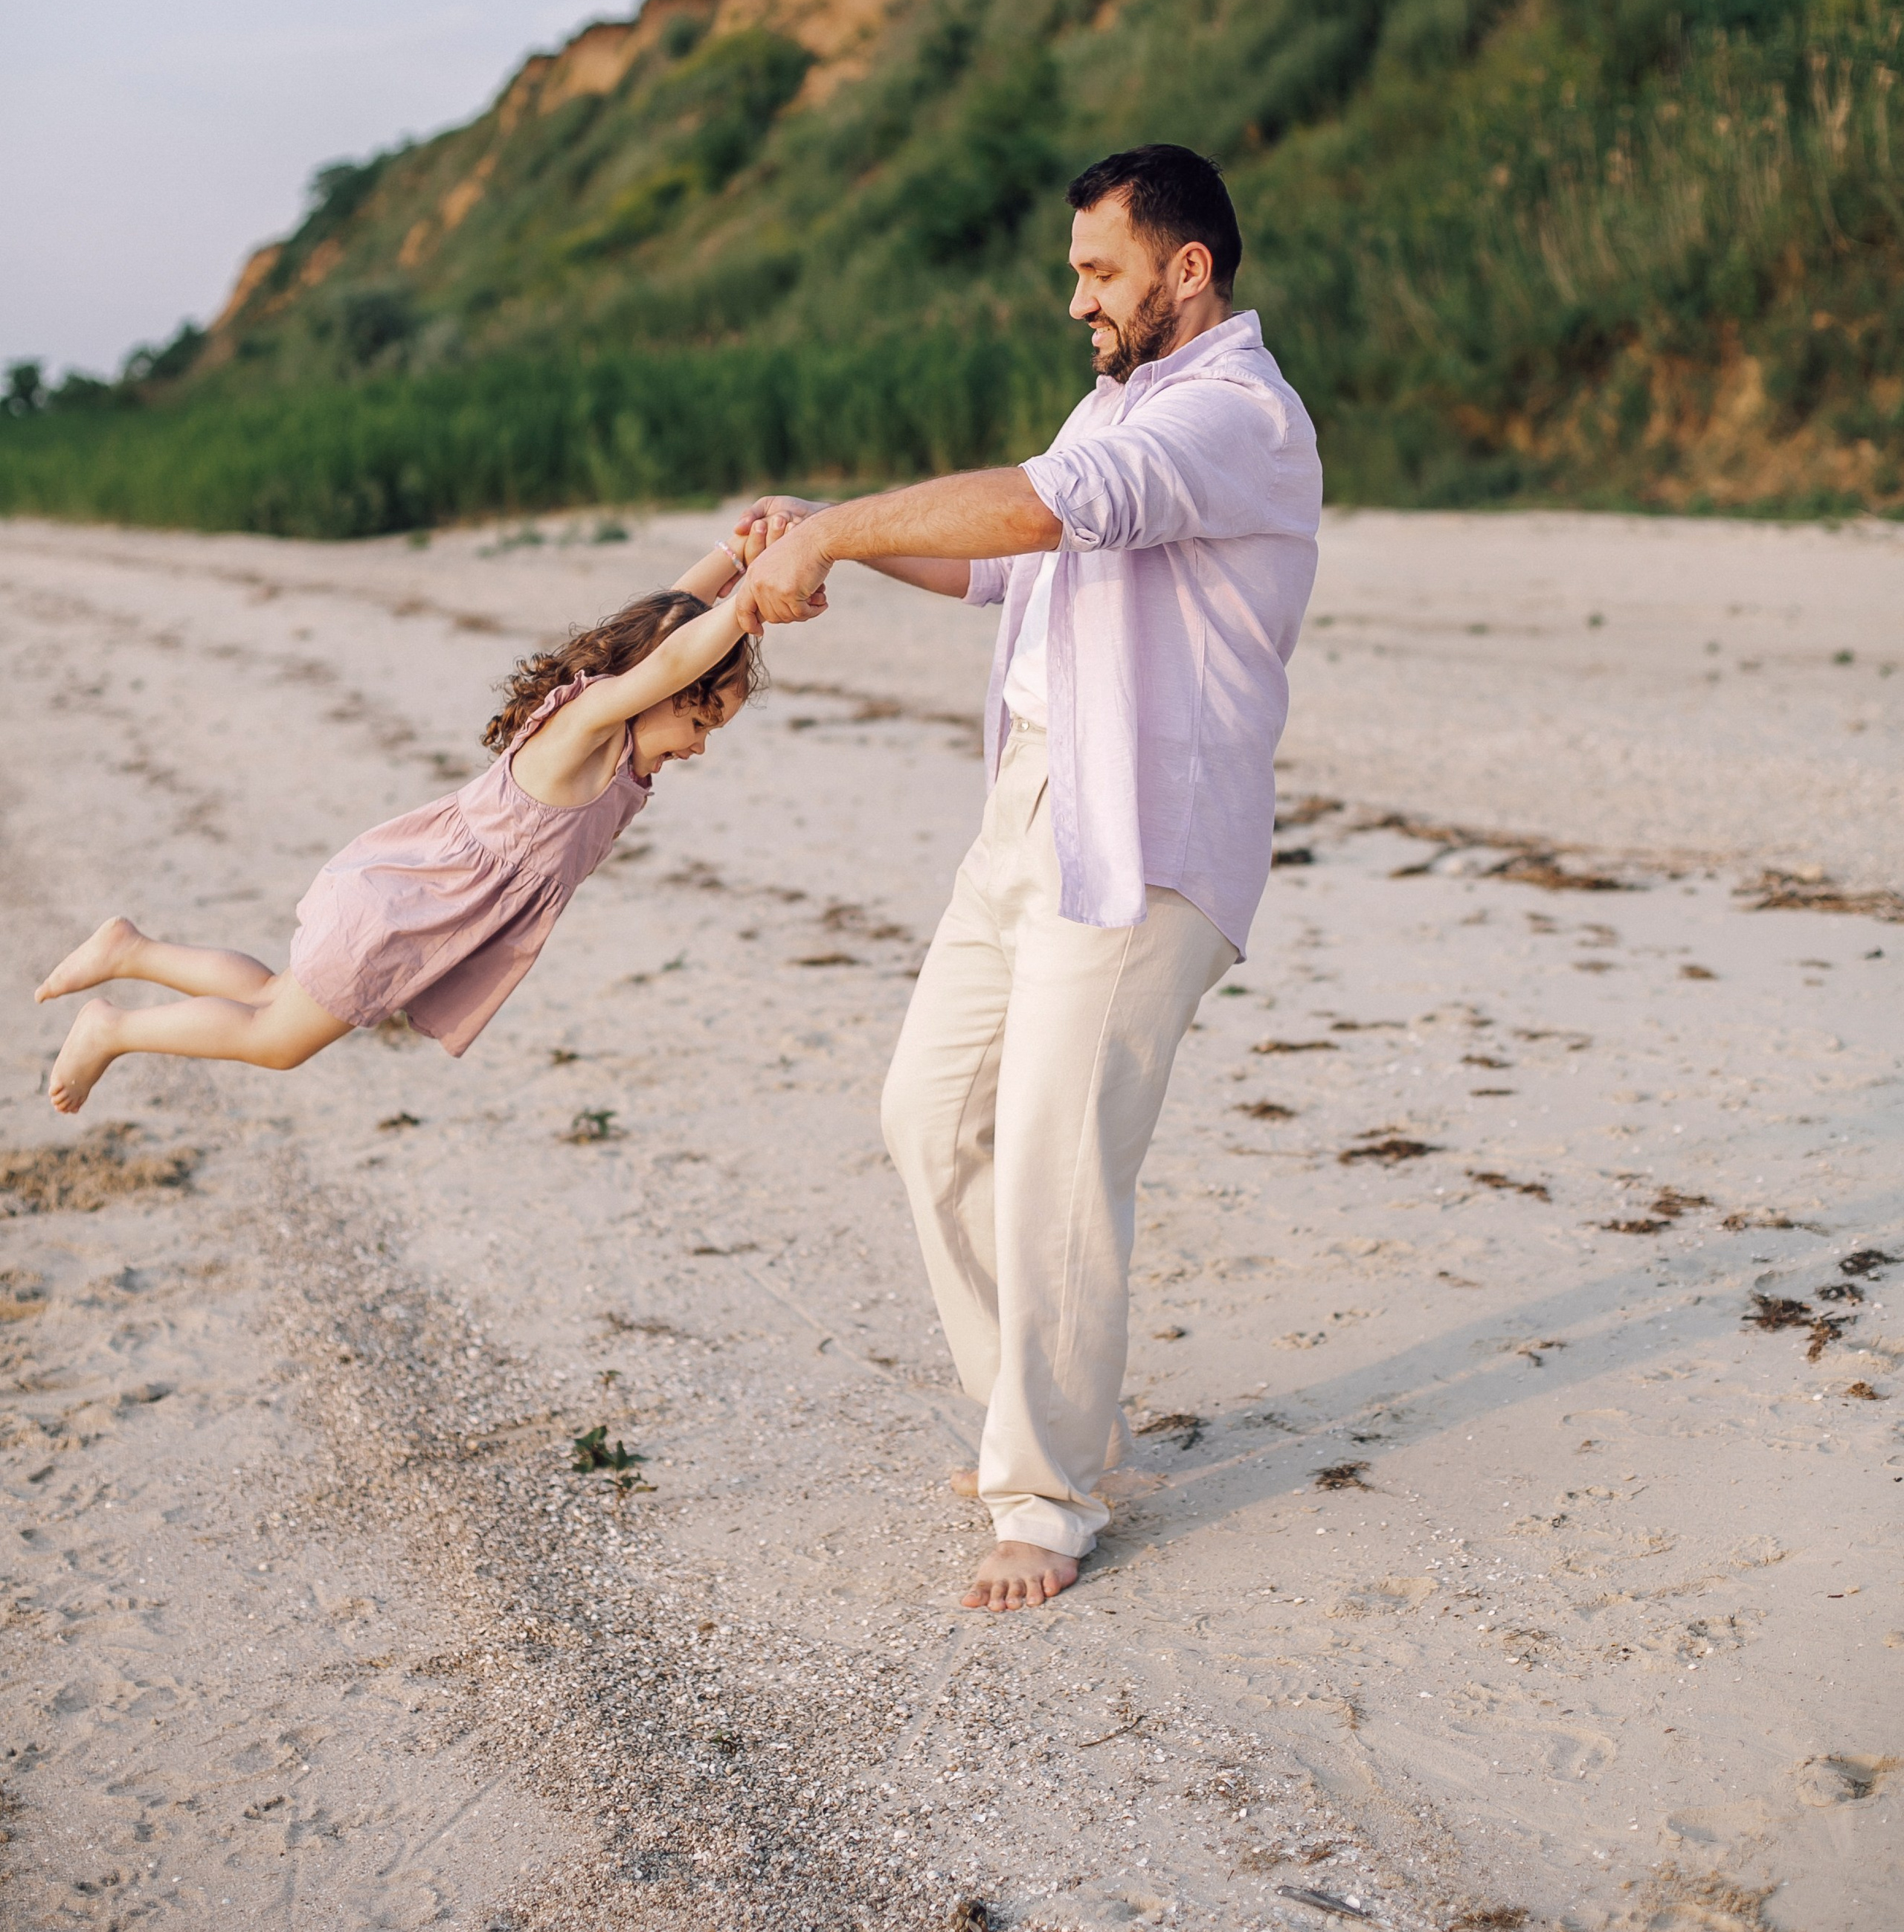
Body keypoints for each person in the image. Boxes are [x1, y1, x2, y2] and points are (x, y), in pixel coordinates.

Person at [736, 144, 1321, 1616]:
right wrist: (835, 528)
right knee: (924, 1115)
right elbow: (1001, 560)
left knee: (1057, 1155)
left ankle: (1046, 1493)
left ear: (1184, 270)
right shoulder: (1114, 401)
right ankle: (1038, 1415)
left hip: (1143, 832)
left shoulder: (1235, 415)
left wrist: (835, 533)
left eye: (1097, 271)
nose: (1075, 298)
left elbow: (1058, 507)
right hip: (1028, 815)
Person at [36, 526, 780, 1115]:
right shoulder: (586, 730)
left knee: (271, 996)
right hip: (405, 914)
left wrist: (732, 558)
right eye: (701, 715)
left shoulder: (619, 742)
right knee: (274, 1039)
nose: (701, 742)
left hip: (411, 901)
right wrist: (745, 606)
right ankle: (114, 1029)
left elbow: (663, 622)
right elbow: (665, 653)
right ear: (664, 685)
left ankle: (130, 950)